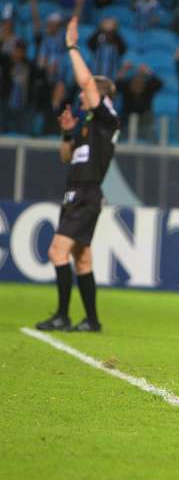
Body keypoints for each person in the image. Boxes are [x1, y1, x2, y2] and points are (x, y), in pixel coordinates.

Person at [34, 17, 119, 333]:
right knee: (82, 258)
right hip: (78, 192)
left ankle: (62, 315)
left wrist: (72, 46)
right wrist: (67, 133)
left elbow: (85, 83)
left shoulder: (107, 118)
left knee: (57, 250)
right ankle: (92, 320)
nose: (83, 94)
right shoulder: (87, 125)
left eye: (89, 91)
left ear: (100, 95)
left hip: (86, 193)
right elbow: (66, 156)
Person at [0, 40, 41, 134]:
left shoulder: (30, 67)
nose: (18, 53)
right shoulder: (7, 65)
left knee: (23, 133)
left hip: (24, 105)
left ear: (24, 53)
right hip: (7, 104)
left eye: (21, 51)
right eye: (16, 50)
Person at [116, 61, 163, 141]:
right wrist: (123, 70)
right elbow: (116, 85)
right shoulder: (126, 87)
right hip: (127, 119)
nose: (138, 82)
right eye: (135, 80)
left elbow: (159, 83)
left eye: (140, 80)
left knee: (152, 139)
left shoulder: (148, 88)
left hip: (145, 119)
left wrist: (148, 72)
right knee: (118, 137)